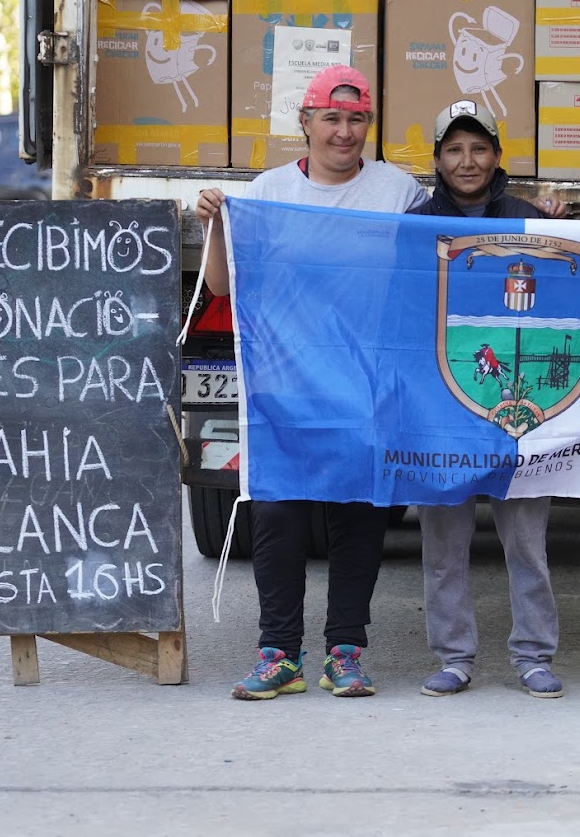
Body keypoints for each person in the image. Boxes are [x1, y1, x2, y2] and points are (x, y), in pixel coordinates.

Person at [196, 65, 430, 701]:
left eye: (357, 119)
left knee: (361, 518)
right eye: (331, 117)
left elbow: (428, 275)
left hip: (368, 386)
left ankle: (345, 654)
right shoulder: (268, 191)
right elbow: (221, 285)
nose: (344, 131)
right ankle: (279, 654)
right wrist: (217, 225)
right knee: (279, 518)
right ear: (304, 123)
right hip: (287, 385)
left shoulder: (397, 191)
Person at [407, 99, 566, 699]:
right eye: (454, 149)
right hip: (441, 410)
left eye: (479, 148)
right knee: (443, 545)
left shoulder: (531, 221)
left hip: (518, 413)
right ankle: (453, 655)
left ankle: (534, 655)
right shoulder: (417, 224)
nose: (467, 161)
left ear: (498, 157)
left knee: (526, 543)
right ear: (438, 159)